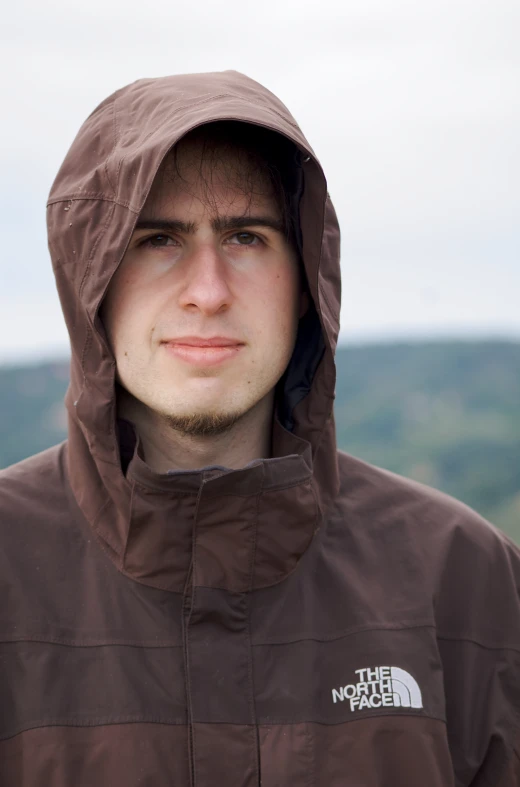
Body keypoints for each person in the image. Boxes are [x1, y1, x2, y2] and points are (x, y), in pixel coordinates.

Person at [0, 71, 518, 787]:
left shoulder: (463, 576)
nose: (208, 291)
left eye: (247, 235)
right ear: (91, 279)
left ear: (307, 281)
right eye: (158, 239)